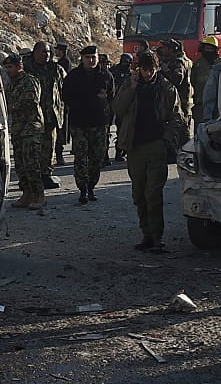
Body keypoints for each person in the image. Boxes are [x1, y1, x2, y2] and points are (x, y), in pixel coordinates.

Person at [114, 50, 186, 251]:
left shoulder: (166, 88)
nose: (148, 74)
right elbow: (117, 109)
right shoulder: (130, 85)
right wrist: (132, 88)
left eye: (151, 70)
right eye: (144, 70)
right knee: (139, 194)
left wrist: (166, 140)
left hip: (156, 146)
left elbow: (177, 117)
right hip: (134, 147)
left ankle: (156, 237)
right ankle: (146, 234)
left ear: (156, 69)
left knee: (153, 194)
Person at [62, 45, 115, 204]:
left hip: (99, 123)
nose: (91, 60)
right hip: (79, 123)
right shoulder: (73, 76)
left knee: (97, 157)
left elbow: (112, 97)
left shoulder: (106, 76)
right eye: (87, 57)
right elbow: (66, 97)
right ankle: (82, 188)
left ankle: (92, 185)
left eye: (93, 57)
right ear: (82, 59)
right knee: (80, 156)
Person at [2, 53, 48, 212]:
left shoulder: (29, 80)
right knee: (20, 164)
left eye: (10, 67)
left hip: (31, 128)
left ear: (19, 66)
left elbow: (31, 100)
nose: (8, 70)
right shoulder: (10, 84)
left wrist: (12, 107)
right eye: (6, 67)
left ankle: (39, 194)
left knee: (31, 163)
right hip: (18, 128)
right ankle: (27, 193)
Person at [26, 41, 68, 189]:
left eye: (49, 52)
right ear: (35, 52)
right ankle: (29, 178)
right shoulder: (26, 68)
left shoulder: (56, 69)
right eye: (43, 52)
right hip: (31, 117)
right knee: (30, 149)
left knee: (48, 148)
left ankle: (46, 175)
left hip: (51, 116)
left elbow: (67, 85)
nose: (47, 55)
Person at [189, 37, 221, 125]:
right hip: (201, 103)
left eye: (211, 49)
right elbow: (193, 81)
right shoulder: (198, 64)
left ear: (216, 50)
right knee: (200, 128)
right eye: (206, 48)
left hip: (218, 104)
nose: (208, 51)